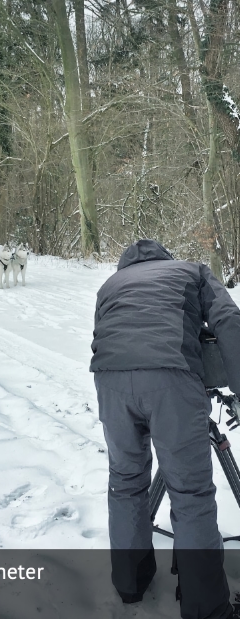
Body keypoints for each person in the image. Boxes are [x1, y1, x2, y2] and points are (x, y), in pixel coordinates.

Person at [91, 238, 240, 619]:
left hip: (109, 381)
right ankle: (206, 608)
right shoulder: (191, 271)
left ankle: (131, 584)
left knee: (124, 482)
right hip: (171, 378)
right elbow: (227, 320)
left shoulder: (110, 284)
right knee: (190, 495)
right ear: (165, 258)